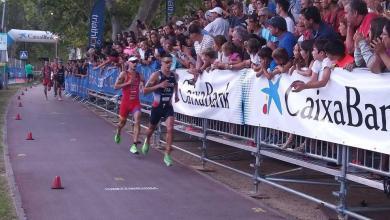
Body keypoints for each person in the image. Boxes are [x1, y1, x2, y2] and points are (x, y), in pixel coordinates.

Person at [142, 54, 179, 166]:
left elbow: (175, 85)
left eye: (170, 62)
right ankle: (147, 139)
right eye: (166, 62)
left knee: (170, 128)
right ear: (161, 63)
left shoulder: (174, 75)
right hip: (157, 106)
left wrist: (176, 95)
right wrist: (159, 86)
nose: (169, 64)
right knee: (151, 129)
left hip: (168, 107)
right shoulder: (156, 75)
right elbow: (145, 91)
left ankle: (167, 155)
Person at [114, 56, 145, 154]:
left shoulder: (139, 75)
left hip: (135, 102)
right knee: (122, 123)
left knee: (138, 120)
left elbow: (144, 81)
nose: (135, 64)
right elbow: (115, 86)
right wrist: (127, 83)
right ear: (128, 63)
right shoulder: (124, 74)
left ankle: (134, 145)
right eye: (133, 62)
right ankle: (118, 132)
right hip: (125, 102)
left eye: (136, 62)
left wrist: (142, 85)